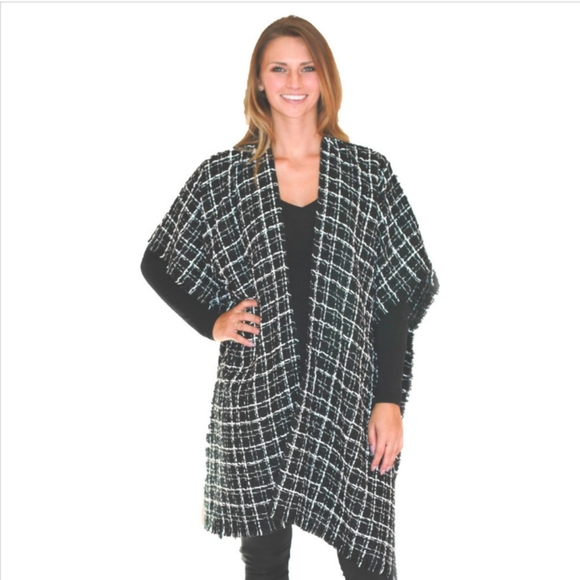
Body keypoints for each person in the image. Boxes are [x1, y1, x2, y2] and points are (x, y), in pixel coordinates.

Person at [141, 15, 438, 580]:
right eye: (279, 68)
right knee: (265, 561)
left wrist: (389, 400)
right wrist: (213, 322)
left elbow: (396, 296)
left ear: (325, 78)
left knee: (367, 559)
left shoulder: (368, 174)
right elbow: (158, 261)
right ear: (259, 80)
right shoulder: (225, 177)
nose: (294, 81)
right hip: (257, 394)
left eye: (307, 68)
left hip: (348, 396)